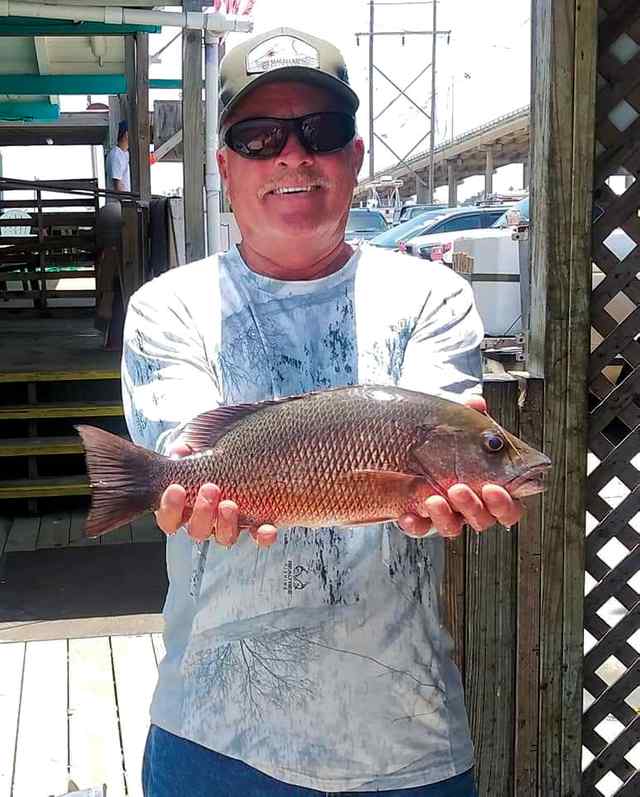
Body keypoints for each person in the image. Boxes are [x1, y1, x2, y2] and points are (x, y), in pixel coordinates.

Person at [121, 27, 523, 797]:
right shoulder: (167, 306)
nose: (293, 155)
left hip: (407, 743)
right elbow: (186, 443)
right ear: (224, 167)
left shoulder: (432, 295)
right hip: (214, 741)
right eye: (260, 135)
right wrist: (193, 493)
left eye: (321, 131)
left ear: (355, 155)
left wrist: (456, 485)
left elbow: (441, 440)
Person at [105, 119, 131, 194]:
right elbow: (118, 186)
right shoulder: (116, 155)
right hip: (117, 203)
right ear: (126, 134)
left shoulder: (125, 153)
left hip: (125, 201)